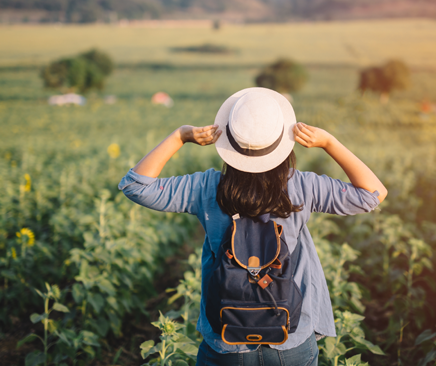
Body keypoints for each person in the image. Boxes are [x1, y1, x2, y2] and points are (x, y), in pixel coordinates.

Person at [118, 87, 387, 366]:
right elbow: (373, 194)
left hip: (227, 339)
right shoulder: (302, 187)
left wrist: (180, 136)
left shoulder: (207, 187)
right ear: (283, 141)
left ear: (229, 142)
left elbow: (135, 185)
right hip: (291, 335)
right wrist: (329, 142)